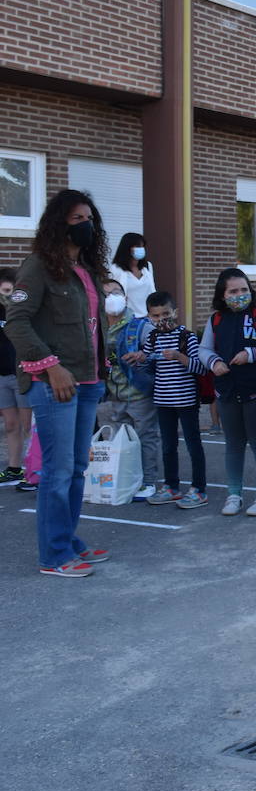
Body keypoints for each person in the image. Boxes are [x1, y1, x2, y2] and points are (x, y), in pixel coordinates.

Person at [6, 190, 111, 576]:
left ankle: (67, 541)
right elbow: (16, 321)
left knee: (77, 469)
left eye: (90, 219)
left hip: (88, 381)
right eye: (77, 219)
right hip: (55, 383)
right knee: (58, 470)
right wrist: (51, 366)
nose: (87, 225)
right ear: (58, 224)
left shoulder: (86, 269)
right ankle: (54, 555)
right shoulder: (38, 266)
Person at [200, 268, 256, 517]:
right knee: (233, 445)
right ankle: (234, 494)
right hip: (227, 392)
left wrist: (253, 354)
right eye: (233, 291)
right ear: (222, 295)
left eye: (244, 289)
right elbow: (203, 350)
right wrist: (213, 362)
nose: (240, 294)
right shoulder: (216, 320)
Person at [139, 291, 208, 508]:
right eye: (156, 316)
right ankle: (171, 486)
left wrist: (180, 357)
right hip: (163, 400)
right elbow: (148, 365)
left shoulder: (187, 337)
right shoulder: (152, 337)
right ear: (149, 317)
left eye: (166, 314)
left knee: (192, 444)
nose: (161, 319)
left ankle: (199, 488)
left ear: (175, 312)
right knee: (168, 446)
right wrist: (139, 358)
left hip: (186, 399)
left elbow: (200, 368)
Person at [95, 277, 157, 502]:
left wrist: (143, 356)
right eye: (107, 293)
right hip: (116, 394)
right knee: (124, 441)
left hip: (139, 393)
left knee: (145, 437)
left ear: (126, 297)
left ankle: (148, 481)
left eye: (116, 292)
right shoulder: (97, 327)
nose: (112, 297)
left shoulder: (139, 325)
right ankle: (130, 478)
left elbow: (158, 352)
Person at [0, 268, 31, 486]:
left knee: (28, 424)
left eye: (9, 290)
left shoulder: (21, 311)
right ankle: (14, 468)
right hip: (2, 375)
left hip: (21, 373)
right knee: (10, 424)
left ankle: (33, 469)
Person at [108, 232, 156, 319]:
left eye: (142, 246)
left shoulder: (147, 267)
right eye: (137, 246)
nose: (141, 249)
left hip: (148, 319)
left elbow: (152, 291)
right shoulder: (115, 269)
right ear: (127, 248)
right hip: (127, 320)